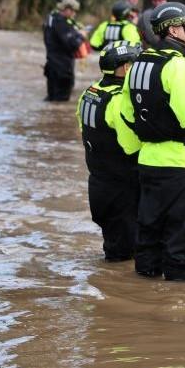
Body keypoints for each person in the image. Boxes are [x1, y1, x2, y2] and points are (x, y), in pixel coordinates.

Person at [121, 1, 185, 282]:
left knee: (150, 240)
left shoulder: (138, 65)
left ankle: (143, 310)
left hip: (149, 165)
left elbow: (126, 115)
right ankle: (178, 319)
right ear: (174, 30)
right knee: (184, 246)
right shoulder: (180, 67)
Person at [77, 44, 143, 262]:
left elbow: (83, 129)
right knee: (126, 258)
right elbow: (132, 146)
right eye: (134, 64)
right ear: (124, 68)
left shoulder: (90, 92)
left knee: (114, 250)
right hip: (121, 188)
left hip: (98, 183)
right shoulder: (119, 101)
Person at [43, 0, 85, 102]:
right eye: (74, 11)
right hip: (62, 69)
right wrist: (81, 36)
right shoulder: (61, 22)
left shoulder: (51, 18)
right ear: (67, 9)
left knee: (51, 100)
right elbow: (71, 44)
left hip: (51, 66)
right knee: (61, 102)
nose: (74, 14)